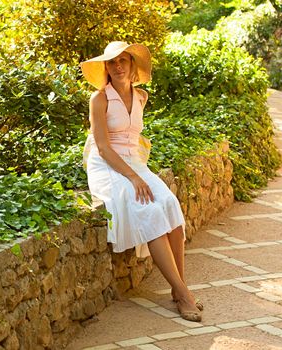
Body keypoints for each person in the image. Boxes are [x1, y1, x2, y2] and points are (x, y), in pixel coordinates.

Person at [80, 41, 203, 322]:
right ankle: (184, 294)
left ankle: (178, 287)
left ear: (132, 65)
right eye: (112, 62)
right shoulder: (99, 99)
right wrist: (133, 178)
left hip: (134, 162)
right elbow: (102, 146)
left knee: (170, 204)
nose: (118, 66)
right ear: (106, 68)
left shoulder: (142, 96)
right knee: (149, 209)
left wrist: (138, 172)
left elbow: (133, 141)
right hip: (107, 167)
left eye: (123, 60)